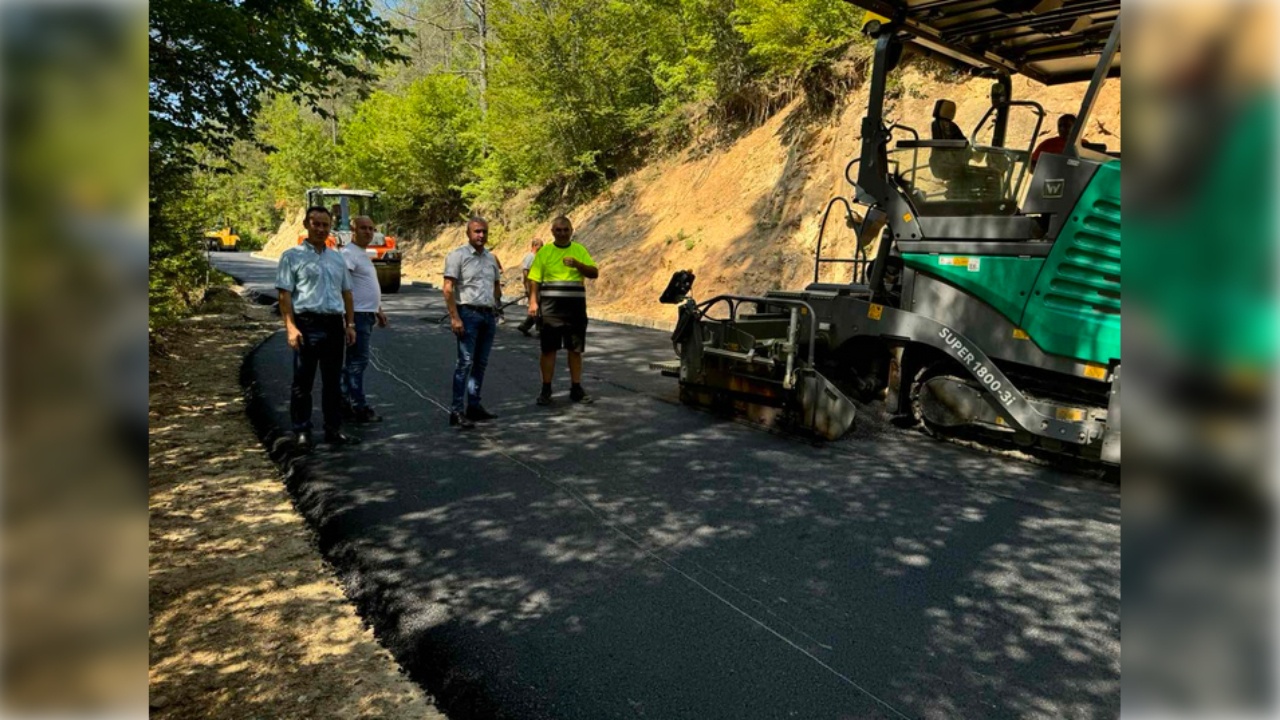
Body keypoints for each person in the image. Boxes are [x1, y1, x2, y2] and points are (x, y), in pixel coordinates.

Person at [275, 206, 359, 450]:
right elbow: (284, 294)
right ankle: (302, 430)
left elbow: (347, 292)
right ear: (306, 225)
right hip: (307, 324)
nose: (321, 229)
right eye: (316, 224)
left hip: (334, 324)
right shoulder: (291, 256)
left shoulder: (337, 258)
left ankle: (333, 429)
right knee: (303, 381)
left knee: (332, 382)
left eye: (325, 225)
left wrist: (350, 324)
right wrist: (290, 327)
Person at [527, 216, 599, 406]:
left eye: (565, 229)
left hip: (575, 309)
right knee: (549, 349)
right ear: (552, 232)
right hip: (550, 309)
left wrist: (578, 264)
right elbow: (534, 279)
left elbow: (594, 273)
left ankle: (576, 388)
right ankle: (546, 389)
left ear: (571, 230)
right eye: (558, 230)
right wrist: (533, 302)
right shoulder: (545, 252)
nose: (562, 233)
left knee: (575, 350)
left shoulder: (579, 250)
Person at [443, 217, 503, 429]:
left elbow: (496, 285)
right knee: (465, 363)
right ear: (468, 233)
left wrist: (497, 304)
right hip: (467, 314)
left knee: (481, 363)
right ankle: (456, 410)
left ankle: (474, 406)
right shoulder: (457, 256)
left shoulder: (491, 258)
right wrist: (454, 317)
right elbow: (448, 288)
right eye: (477, 231)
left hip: (488, 315)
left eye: (484, 232)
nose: (481, 235)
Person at [341, 215, 389, 423]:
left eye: (371, 228)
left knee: (355, 361)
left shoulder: (362, 254)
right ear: (354, 230)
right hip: (357, 315)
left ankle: (344, 402)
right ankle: (357, 406)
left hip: (366, 314)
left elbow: (365, 286)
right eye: (363, 228)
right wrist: (349, 321)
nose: (368, 232)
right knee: (357, 361)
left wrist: (378, 309)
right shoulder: (348, 254)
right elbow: (344, 287)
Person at [516, 238, 544, 337]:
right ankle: (539, 329)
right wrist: (527, 287)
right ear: (535, 246)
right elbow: (525, 272)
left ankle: (525, 326)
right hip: (532, 286)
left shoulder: (537, 257)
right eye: (541, 246)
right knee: (538, 308)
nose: (542, 248)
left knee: (539, 307)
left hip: (538, 285)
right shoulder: (530, 257)